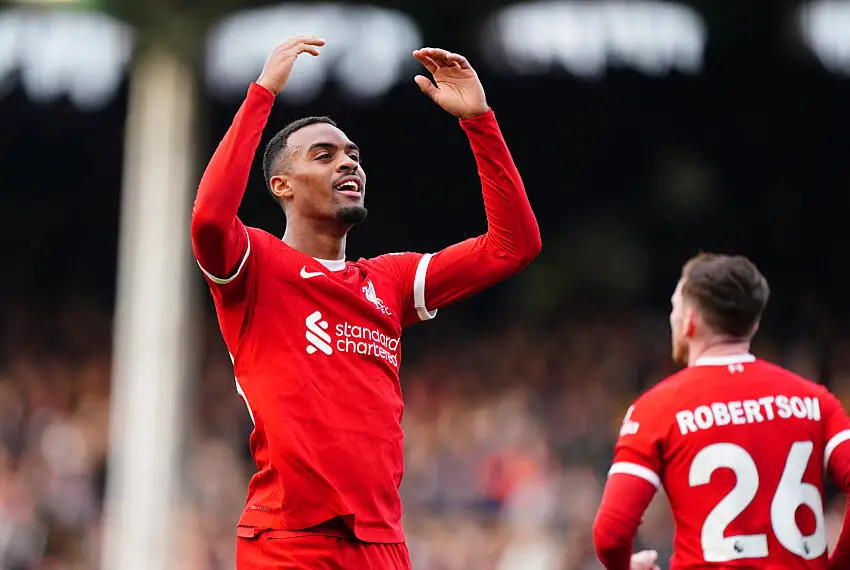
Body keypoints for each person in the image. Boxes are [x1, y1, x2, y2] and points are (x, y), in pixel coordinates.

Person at [190, 36, 541, 569]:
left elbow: (513, 246)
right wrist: (262, 94)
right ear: (281, 185)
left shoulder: (388, 280)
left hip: (381, 543)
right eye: (324, 155)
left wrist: (479, 121)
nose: (347, 164)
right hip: (289, 539)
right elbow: (210, 219)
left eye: (353, 155)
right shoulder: (256, 265)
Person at [593, 253, 850, 570]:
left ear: (689, 320)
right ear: (753, 324)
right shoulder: (816, 401)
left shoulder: (656, 409)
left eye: (674, 307)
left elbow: (611, 535)